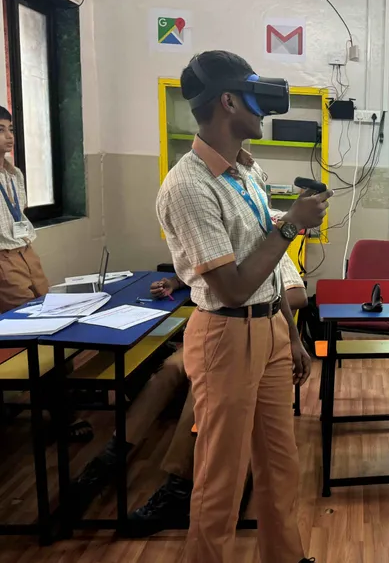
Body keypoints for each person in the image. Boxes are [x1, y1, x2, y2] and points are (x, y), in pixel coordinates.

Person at [156, 50, 330, 563]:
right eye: (254, 98)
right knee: (222, 476)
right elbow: (232, 288)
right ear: (228, 102)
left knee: (280, 463)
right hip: (225, 337)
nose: (264, 111)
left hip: (269, 328)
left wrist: (291, 336)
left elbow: (269, 269)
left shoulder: (248, 172)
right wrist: (291, 224)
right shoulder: (189, 185)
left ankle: (286, 556)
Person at [67, 255, 308, 533]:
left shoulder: (269, 247)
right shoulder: (219, 247)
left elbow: (298, 295)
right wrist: (173, 282)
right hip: (213, 333)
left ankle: (178, 488)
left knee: (201, 388)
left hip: (252, 336)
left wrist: (250, 292)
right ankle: (109, 459)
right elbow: (199, 275)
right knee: (168, 370)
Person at [0, 106, 49, 312]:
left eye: (11, 129)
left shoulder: (15, 174)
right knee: (27, 314)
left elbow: (19, 212)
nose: (9, 136)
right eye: (1, 130)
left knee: (49, 307)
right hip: (4, 256)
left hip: (26, 250)